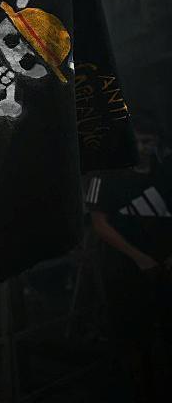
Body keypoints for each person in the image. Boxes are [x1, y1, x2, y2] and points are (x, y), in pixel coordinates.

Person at [86, 119, 171, 402]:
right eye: (138, 141)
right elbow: (99, 223)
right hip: (123, 268)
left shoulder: (165, 174)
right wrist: (139, 258)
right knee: (129, 335)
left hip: (162, 267)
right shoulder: (107, 175)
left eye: (149, 141)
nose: (143, 147)